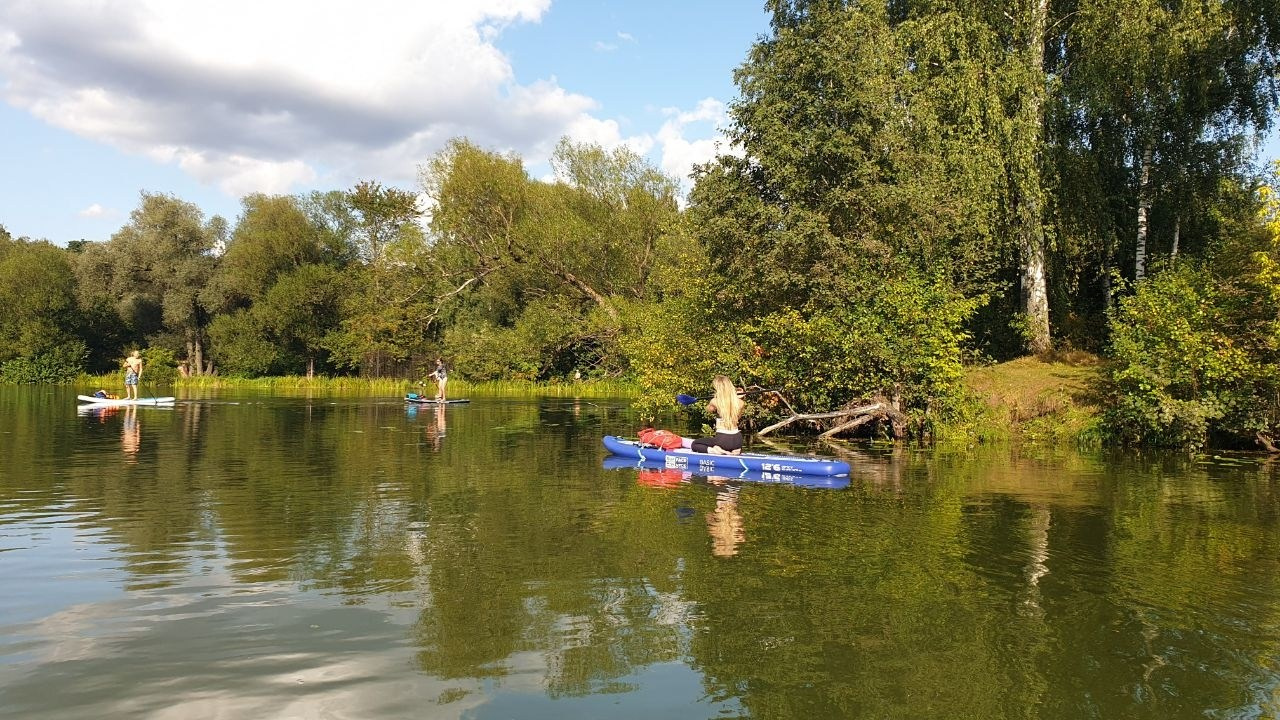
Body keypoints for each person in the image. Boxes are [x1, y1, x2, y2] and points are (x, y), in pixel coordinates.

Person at [687, 375, 744, 455]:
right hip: (738, 440)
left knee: (695, 444)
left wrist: (716, 398)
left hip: (723, 440)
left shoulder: (715, 402)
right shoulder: (741, 403)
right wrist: (734, 397)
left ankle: (717, 451)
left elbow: (708, 410)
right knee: (731, 444)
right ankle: (737, 450)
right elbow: (738, 418)